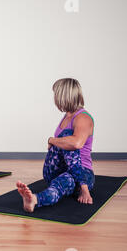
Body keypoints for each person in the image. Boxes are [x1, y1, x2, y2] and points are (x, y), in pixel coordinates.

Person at [16, 78, 95, 212]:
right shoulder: (67, 116)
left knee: (64, 181)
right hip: (57, 171)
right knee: (66, 140)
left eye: (55, 94)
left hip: (83, 174)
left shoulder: (83, 118)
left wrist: (52, 140)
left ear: (63, 96)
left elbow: (76, 144)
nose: (54, 98)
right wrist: (53, 141)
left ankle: (34, 200)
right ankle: (56, 187)